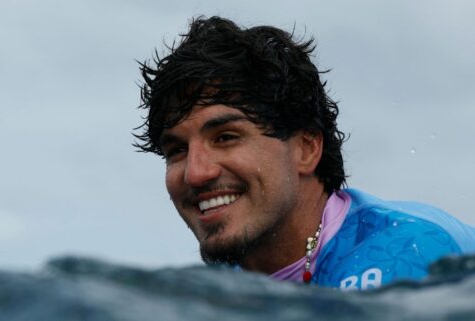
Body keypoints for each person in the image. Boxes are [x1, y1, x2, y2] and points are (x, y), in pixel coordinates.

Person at [134, 16, 475, 290]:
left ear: (306, 149)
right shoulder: (217, 293)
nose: (195, 173)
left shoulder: (404, 255)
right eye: (177, 149)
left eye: (225, 137)